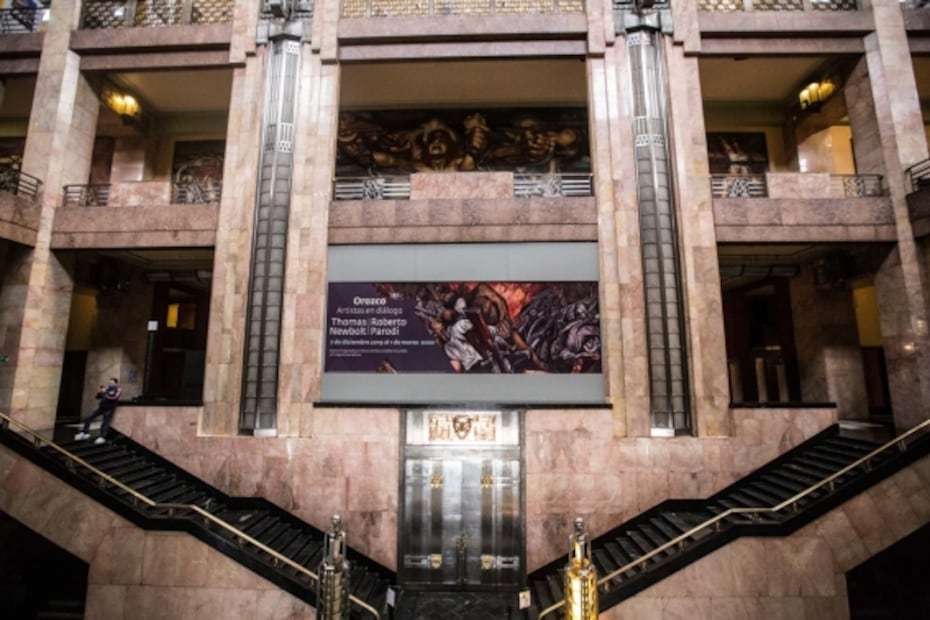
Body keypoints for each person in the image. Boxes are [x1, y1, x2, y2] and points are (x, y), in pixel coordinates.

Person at [74, 377, 122, 445]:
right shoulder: (107, 389)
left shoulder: (118, 389)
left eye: (112, 382)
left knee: (105, 423)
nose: (110, 383)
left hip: (109, 409)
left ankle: (102, 437)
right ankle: (85, 432)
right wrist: (100, 392)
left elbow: (113, 398)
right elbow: (98, 397)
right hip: (101, 408)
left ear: (116, 383)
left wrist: (105, 392)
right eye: (109, 382)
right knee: (89, 418)